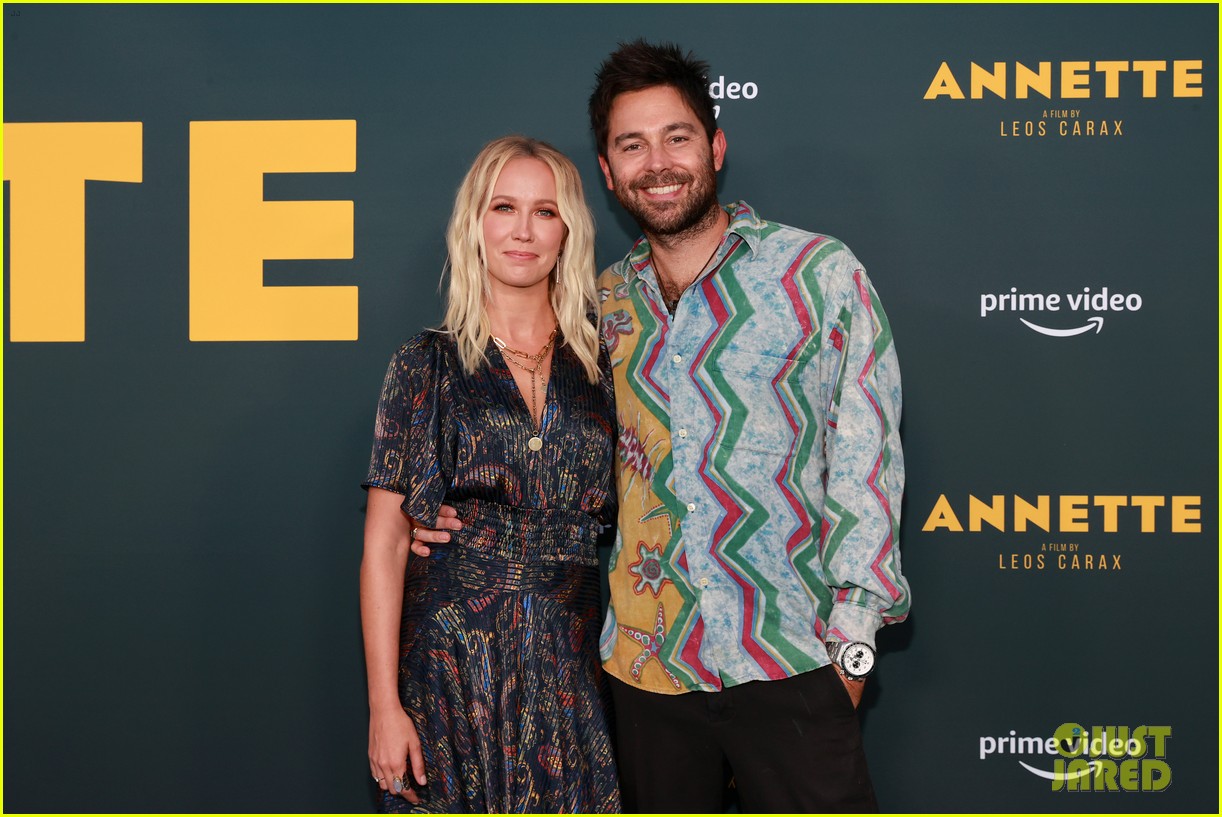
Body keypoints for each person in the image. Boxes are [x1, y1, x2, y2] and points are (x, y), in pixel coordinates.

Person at [587, 40, 912, 812]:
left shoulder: (817, 273)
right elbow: (568, 455)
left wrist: (851, 655)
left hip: (794, 664)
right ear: (607, 170)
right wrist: (468, 510)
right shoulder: (600, 304)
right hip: (648, 672)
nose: (657, 162)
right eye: (632, 145)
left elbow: (869, 460)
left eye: (677, 137)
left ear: (716, 147)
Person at [360, 135, 620, 813]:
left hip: (574, 670)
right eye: (504, 207)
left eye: (545, 210)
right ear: (475, 223)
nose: (524, 230)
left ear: (569, 231)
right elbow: (386, 545)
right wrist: (385, 706)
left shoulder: (608, 365)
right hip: (451, 671)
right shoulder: (424, 366)